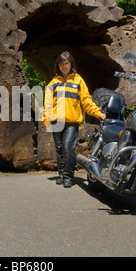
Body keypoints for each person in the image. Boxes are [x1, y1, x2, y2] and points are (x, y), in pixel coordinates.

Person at [43, 51, 106, 188]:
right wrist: (46, 121)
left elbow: (86, 101)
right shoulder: (53, 83)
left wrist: (98, 113)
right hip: (56, 121)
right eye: (61, 64)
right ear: (58, 66)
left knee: (67, 147)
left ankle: (68, 176)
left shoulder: (78, 80)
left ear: (71, 64)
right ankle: (61, 174)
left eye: (66, 63)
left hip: (72, 121)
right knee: (59, 148)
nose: (64, 66)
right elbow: (47, 104)